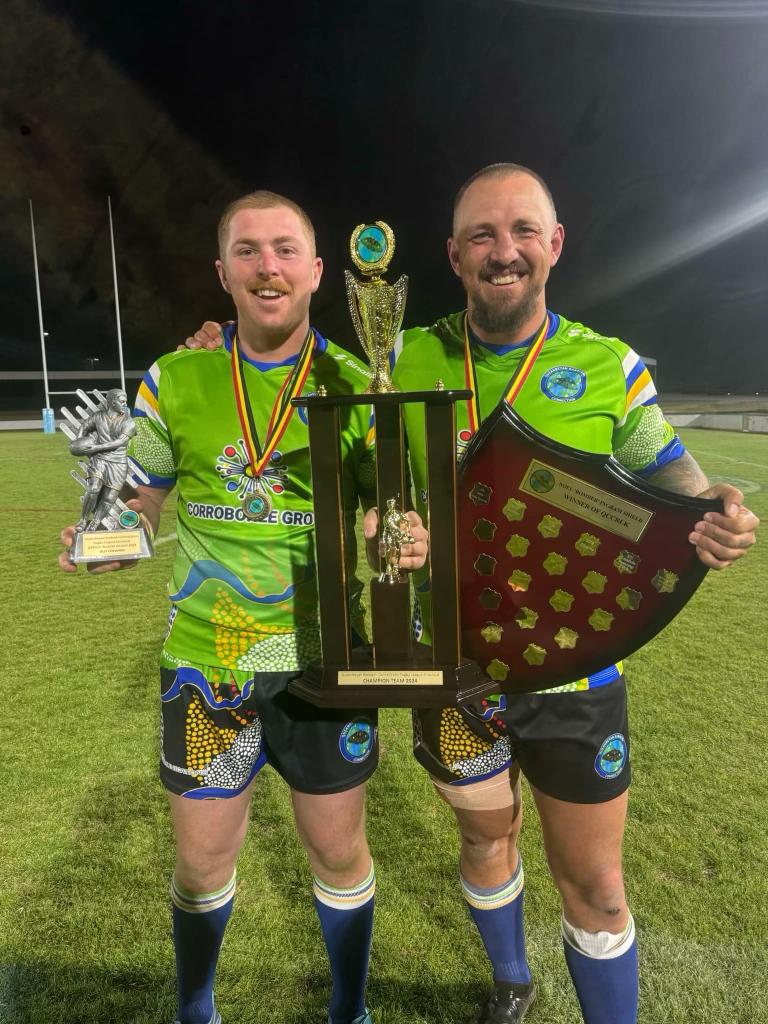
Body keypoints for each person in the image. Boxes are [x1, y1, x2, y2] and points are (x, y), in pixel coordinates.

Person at [181, 165, 759, 1024]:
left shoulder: (605, 365)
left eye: (523, 231)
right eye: (482, 235)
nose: (504, 251)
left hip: (573, 673)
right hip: (452, 671)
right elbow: (301, 380)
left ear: (554, 244)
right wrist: (218, 344)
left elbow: (674, 474)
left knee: (598, 885)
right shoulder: (401, 356)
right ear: (454, 256)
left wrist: (715, 506)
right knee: (486, 835)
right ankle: (511, 981)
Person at [59, 190, 428, 1024]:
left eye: (287, 249)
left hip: (324, 664)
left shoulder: (357, 382)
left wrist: (397, 533)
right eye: (249, 250)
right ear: (222, 271)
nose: (269, 267)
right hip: (207, 665)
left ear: (318, 271)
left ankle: (349, 1010)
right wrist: (108, 533)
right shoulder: (176, 376)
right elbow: (143, 497)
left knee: (339, 852)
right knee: (201, 866)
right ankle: (196, 1009)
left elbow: (389, 508)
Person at [69, 388, 135, 532]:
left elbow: (119, 442)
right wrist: (78, 443)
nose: (125, 404)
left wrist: (95, 448)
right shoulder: (98, 417)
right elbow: (84, 426)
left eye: (125, 401)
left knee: (110, 497)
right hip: (99, 459)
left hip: (118, 462)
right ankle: (83, 520)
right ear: (113, 402)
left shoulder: (129, 422)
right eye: (122, 401)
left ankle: (96, 522)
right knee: (93, 488)